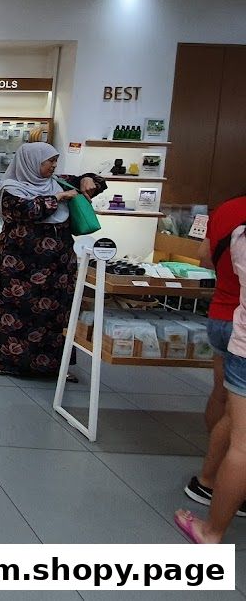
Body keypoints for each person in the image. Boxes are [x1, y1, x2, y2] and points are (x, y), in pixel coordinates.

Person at [0, 142, 105, 378]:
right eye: (48, 161)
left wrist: (88, 179)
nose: (53, 166)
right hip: (21, 266)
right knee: (17, 314)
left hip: (58, 266)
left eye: (55, 161)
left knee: (55, 315)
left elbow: (95, 183)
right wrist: (57, 198)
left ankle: (54, 367)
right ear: (31, 162)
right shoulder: (13, 189)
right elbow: (26, 211)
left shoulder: (59, 181)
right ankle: (9, 362)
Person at [176, 220, 246, 543]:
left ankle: (212, 527)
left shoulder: (239, 231)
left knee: (241, 441)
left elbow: (211, 257)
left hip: (235, 332)